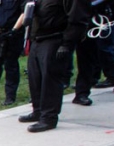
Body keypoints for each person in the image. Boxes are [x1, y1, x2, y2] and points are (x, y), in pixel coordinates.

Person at [18, 0, 90, 132]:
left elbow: (77, 19)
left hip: (55, 39)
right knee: (35, 78)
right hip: (37, 38)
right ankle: (38, 111)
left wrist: (67, 44)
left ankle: (49, 117)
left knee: (50, 80)